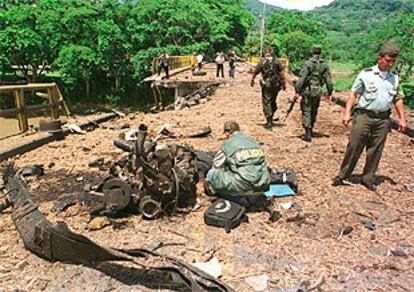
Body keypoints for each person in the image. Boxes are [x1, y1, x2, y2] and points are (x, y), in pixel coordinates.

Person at [332, 43, 407, 191]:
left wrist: (402, 118)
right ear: (379, 58)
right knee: (354, 145)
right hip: (364, 116)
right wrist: (347, 112)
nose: (390, 64)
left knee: (375, 149)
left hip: (383, 119)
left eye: (393, 61)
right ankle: (343, 175)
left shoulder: (395, 78)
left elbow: (398, 99)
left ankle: (367, 178)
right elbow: (354, 94)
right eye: (387, 60)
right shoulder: (366, 74)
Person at [206, 121, 270, 196]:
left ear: (227, 133)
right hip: (263, 184)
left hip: (243, 186)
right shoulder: (253, 142)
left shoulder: (227, 144)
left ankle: (214, 191)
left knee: (211, 174)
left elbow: (216, 166)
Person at [294, 45, 333, 142]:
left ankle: (307, 133)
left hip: (308, 90)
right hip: (318, 91)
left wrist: (297, 90)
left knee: (306, 110)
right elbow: (328, 80)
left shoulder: (308, 64)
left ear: (312, 51)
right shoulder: (325, 65)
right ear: (320, 52)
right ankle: (310, 129)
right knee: (314, 110)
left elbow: (302, 79)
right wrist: (330, 92)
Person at [251, 47, 287, 129]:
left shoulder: (262, 61)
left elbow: (255, 72)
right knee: (273, 100)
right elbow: (282, 74)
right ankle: (271, 115)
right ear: (271, 52)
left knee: (266, 102)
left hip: (267, 85)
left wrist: (252, 80)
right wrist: (284, 84)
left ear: (265, 53)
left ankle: (269, 120)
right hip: (276, 85)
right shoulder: (277, 61)